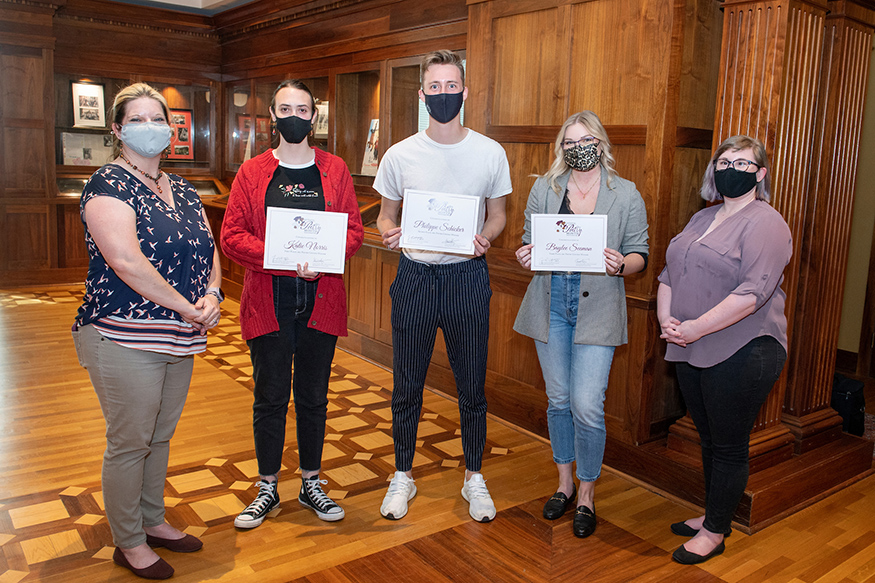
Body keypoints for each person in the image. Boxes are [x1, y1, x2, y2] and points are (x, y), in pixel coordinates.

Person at [72, 82, 221, 580]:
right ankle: (128, 541)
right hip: (122, 333)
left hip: (179, 333)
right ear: (118, 129)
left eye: (159, 119)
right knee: (130, 441)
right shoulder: (106, 183)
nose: (152, 127)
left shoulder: (182, 187)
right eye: (139, 119)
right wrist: (188, 307)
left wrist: (215, 296)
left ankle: (152, 521)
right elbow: (126, 261)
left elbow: (209, 247)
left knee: (160, 436)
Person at [374, 49, 512, 523]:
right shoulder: (400, 154)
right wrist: (388, 231)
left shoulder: (490, 152)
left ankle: (475, 476)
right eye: (434, 87)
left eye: (451, 86)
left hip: (466, 277)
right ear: (422, 94)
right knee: (406, 384)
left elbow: (498, 216)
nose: (444, 94)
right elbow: (385, 214)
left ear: (465, 91)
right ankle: (403, 475)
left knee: (472, 384)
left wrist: (485, 239)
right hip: (414, 276)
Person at [221, 80, 364, 530]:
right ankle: (267, 486)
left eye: (303, 110)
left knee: (314, 397)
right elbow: (231, 235)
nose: (295, 117)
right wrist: (280, 258)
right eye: (286, 109)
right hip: (270, 298)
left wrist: (323, 260)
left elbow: (354, 231)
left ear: (314, 118)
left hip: (321, 298)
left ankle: (310, 482)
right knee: (269, 396)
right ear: (273, 115)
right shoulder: (252, 172)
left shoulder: (336, 170)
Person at [513, 111, 649, 539]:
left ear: (602, 143)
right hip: (551, 302)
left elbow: (640, 254)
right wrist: (526, 254)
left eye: (585, 140)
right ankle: (564, 485)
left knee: (587, 405)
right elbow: (527, 239)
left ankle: (588, 494)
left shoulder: (625, 194)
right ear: (561, 148)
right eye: (569, 142)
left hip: (598, 307)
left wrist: (620, 264)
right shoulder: (545, 187)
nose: (577, 148)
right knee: (558, 399)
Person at [657, 135, 792, 564]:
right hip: (690, 346)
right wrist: (667, 321)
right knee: (709, 438)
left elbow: (754, 293)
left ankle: (716, 531)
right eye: (724, 161)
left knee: (729, 443)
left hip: (744, 349)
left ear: (761, 173)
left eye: (743, 163)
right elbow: (668, 273)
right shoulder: (703, 217)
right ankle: (714, 514)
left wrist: (695, 327)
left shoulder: (766, 222)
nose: (731, 169)